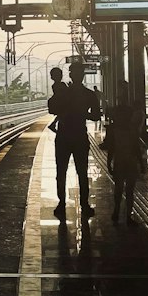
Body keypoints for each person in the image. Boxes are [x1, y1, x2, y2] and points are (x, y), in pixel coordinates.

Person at [49, 61, 102, 220]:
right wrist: (82, 113)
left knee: (61, 171)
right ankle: (84, 205)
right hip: (79, 134)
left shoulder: (64, 92)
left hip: (64, 135)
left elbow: (52, 109)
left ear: (72, 74)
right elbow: (96, 116)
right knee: (82, 172)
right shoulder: (88, 94)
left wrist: (74, 111)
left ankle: (62, 203)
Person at [107, 93, 145, 225]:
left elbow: (111, 148)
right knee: (129, 191)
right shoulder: (132, 130)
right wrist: (142, 164)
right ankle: (128, 215)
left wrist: (108, 163)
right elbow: (137, 149)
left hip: (119, 162)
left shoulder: (114, 131)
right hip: (131, 163)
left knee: (119, 189)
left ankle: (117, 211)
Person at [46, 66, 66, 132]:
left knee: (60, 115)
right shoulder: (62, 84)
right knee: (62, 115)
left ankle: (53, 124)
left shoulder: (54, 85)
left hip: (57, 103)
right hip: (62, 104)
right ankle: (53, 124)